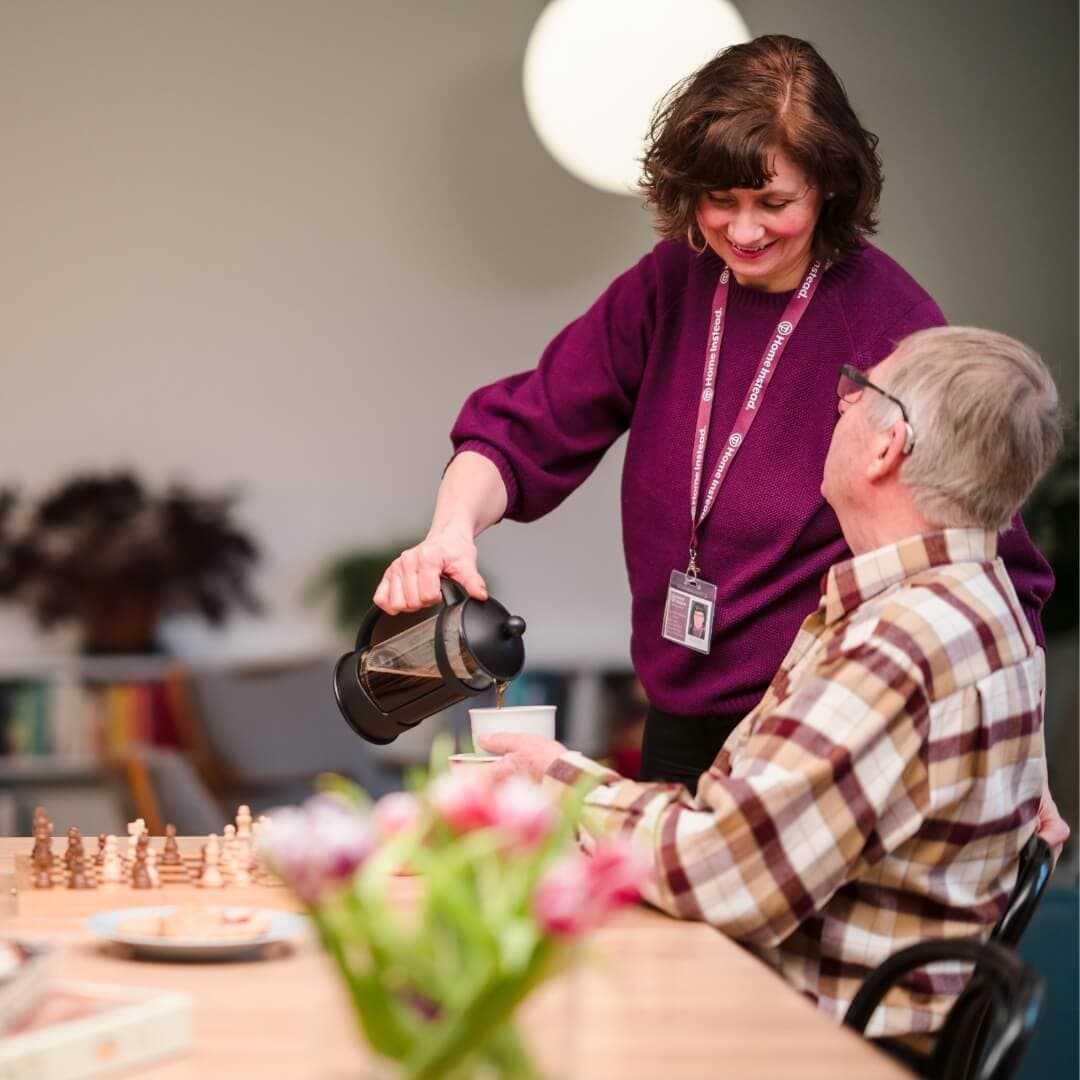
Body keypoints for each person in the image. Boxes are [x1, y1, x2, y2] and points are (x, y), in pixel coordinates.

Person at [373, 35, 1053, 789]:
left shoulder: (890, 326)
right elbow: (524, 426)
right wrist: (449, 531)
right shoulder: (676, 280)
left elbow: (996, 569)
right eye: (720, 200)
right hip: (673, 714)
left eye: (774, 202)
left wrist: (1022, 773)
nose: (745, 231)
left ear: (827, 186)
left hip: (810, 731)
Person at [481, 325, 1066, 1044]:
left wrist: (559, 780)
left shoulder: (901, 641)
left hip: (806, 1039)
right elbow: (738, 828)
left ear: (888, 446)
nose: (841, 403)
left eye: (860, 391)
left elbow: (723, 873)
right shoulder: (985, 600)